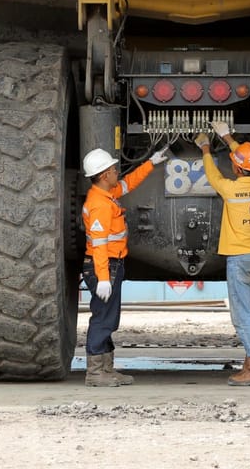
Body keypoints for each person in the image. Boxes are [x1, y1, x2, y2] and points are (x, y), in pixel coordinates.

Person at [80, 145, 169, 387]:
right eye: (112, 169)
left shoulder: (107, 195)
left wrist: (151, 163)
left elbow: (129, 183)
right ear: (103, 175)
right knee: (103, 319)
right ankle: (95, 373)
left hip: (111, 265)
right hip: (104, 266)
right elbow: (98, 245)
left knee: (109, 318)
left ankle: (106, 369)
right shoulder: (99, 204)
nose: (116, 171)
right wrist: (103, 278)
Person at [195, 120, 250, 386]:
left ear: (236, 168)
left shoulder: (231, 189)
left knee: (241, 315)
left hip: (240, 259)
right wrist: (228, 137)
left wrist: (206, 147)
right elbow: (249, 162)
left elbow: (213, 175)